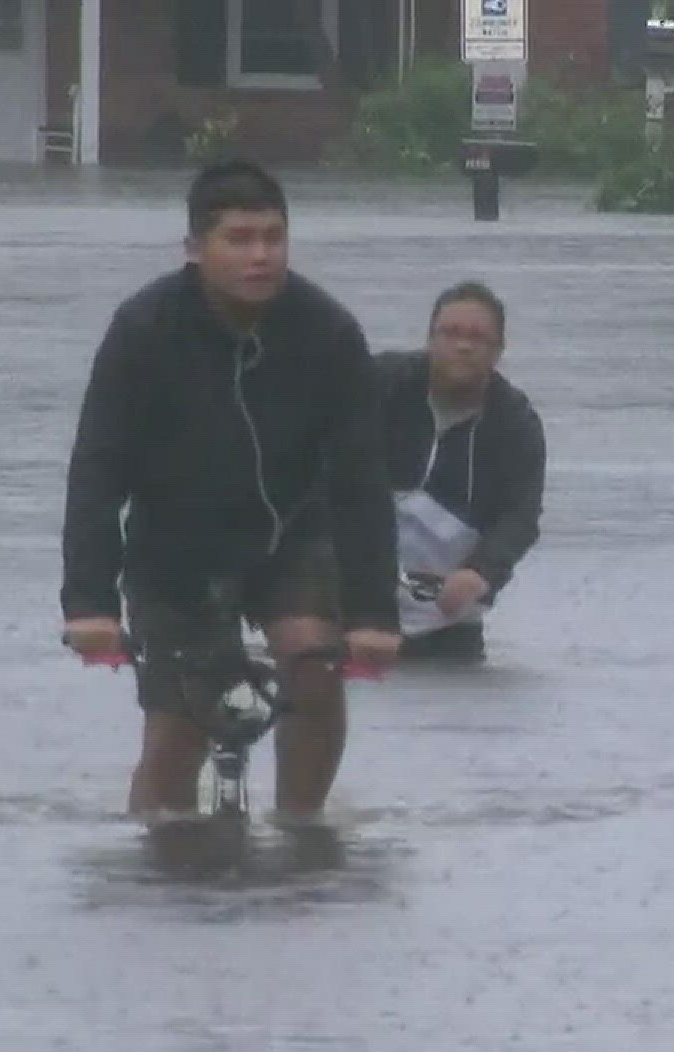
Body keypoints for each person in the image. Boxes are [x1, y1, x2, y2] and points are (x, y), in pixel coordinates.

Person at [60, 160, 402, 825]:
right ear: (195, 249)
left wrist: (372, 614)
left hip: (290, 533)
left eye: (274, 238)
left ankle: (304, 829)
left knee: (312, 662)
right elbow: (97, 472)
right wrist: (89, 604)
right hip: (175, 547)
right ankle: (163, 849)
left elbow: (362, 482)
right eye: (240, 239)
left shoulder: (327, 333)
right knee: (180, 724)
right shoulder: (143, 331)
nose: (260, 255)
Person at [374, 281, 546, 662]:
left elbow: (521, 518)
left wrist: (480, 573)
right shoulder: (379, 384)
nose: (463, 346)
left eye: (478, 338)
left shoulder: (515, 423)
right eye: (450, 333)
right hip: (355, 610)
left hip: (448, 622)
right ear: (430, 338)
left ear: (498, 351)